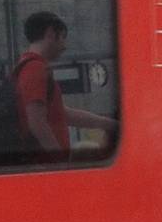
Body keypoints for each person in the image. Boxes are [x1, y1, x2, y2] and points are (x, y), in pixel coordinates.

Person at [16, 10, 117, 156]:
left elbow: (63, 114)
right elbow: (36, 122)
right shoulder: (34, 68)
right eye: (63, 38)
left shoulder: (28, 66)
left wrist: (106, 123)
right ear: (51, 33)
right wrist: (58, 160)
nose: (64, 46)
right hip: (45, 164)